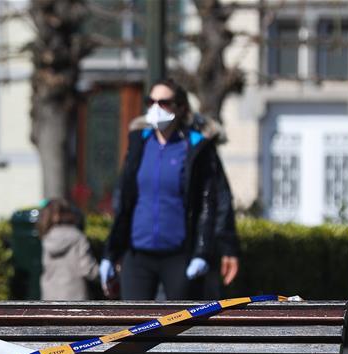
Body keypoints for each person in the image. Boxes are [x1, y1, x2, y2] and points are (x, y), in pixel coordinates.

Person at [100, 79, 240, 300]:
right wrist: (111, 252)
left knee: (183, 319)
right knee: (134, 317)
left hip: (180, 254)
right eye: (151, 102)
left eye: (164, 103)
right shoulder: (140, 143)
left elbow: (215, 199)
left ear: (180, 108)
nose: (156, 108)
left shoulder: (196, 146)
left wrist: (208, 251)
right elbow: (124, 198)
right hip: (138, 253)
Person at [38, 198, 99, 300]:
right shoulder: (77, 236)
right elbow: (88, 269)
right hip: (74, 297)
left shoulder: (47, 237)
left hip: (50, 297)